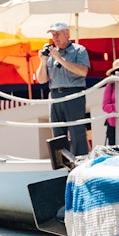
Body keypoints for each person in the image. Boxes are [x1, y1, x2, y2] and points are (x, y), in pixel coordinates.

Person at [36, 22, 90, 156]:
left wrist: (61, 60)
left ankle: (79, 161)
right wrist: (43, 62)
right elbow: (41, 79)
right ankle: (60, 163)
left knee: (76, 131)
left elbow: (83, 71)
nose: (55, 37)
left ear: (67, 34)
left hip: (74, 94)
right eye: (53, 35)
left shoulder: (79, 50)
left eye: (58, 34)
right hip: (55, 96)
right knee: (57, 133)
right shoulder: (51, 54)